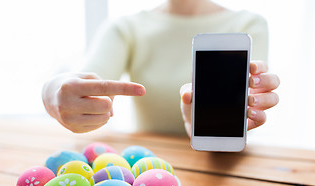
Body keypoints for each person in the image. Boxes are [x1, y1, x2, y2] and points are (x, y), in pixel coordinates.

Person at [42, 0, 280, 137]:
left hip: (227, 173)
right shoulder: (126, 27)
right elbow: (86, 81)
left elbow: (243, 114)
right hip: (148, 170)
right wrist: (53, 91)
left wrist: (218, 122)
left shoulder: (249, 24)